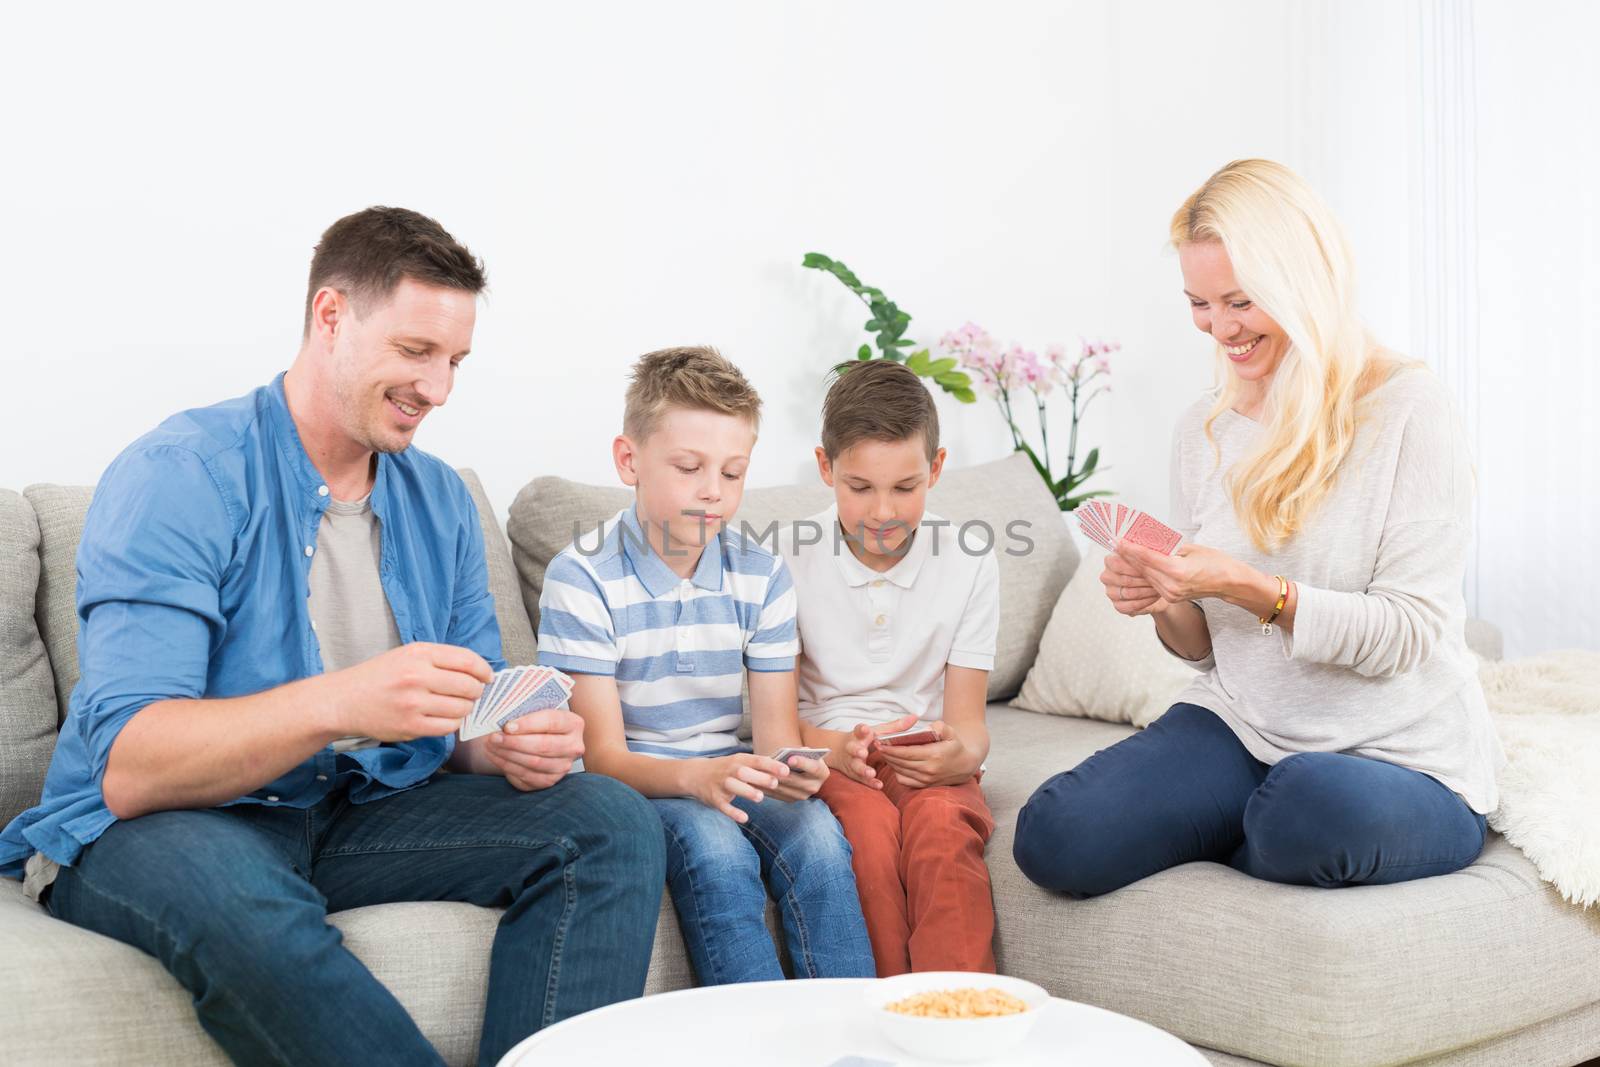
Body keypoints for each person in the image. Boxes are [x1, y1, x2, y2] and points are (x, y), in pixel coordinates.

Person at [0, 207, 666, 1066]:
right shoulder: (184, 473)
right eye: (416, 351)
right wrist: (341, 701)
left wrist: (501, 744)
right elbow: (133, 764)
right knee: (231, 890)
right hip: (166, 824)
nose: (439, 388)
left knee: (610, 819)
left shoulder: (440, 500)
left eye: (455, 360)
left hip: (357, 809)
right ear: (331, 315)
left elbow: (461, 721)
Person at [1013, 159, 1504, 895]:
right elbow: (1206, 655)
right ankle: (1245, 817)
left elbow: (1409, 633)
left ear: (1300, 282)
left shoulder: (1408, 408)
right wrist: (1169, 596)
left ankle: (1247, 822)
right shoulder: (1202, 429)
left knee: (1302, 809)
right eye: (1200, 304)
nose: (1220, 329)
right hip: (1245, 730)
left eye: (1240, 301)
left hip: (1400, 754)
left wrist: (1250, 587)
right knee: (1056, 834)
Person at [536, 346, 875, 985]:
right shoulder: (581, 578)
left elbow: (775, 739)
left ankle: (849, 1036)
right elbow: (603, 758)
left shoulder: (762, 574)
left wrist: (799, 769)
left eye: (733, 471)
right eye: (689, 467)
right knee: (717, 852)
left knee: (822, 839)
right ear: (628, 460)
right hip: (636, 781)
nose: (713, 491)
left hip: (729, 766)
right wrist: (700, 779)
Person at [783, 359, 1000, 976]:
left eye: (905, 488)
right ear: (825, 469)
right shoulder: (787, 559)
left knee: (941, 830)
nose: (883, 511)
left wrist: (961, 755)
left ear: (935, 468)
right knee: (869, 840)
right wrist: (837, 751)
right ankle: (886, 1019)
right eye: (860, 487)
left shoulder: (971, 561)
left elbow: (968, 727)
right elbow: (779, 724)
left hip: (923, 749)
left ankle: (960, 1026)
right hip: (831, 751)